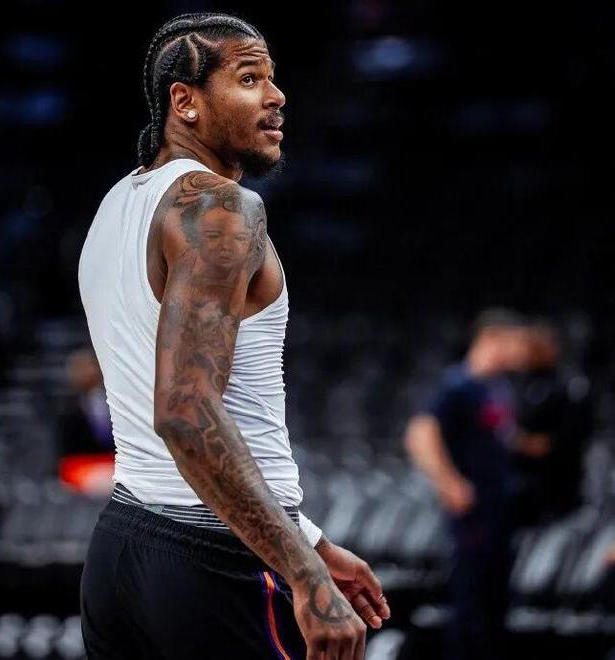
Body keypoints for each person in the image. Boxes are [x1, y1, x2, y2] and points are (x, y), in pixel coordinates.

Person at [78, 12, 389, 660]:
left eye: (272, 78)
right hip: (212, 564)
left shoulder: (116, 204)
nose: (276, 96)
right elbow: (186, 414)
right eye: (249, 79)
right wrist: (304, 574)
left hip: (121, 553)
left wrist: (310, 539)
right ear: (184, 102)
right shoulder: (219, 208)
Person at [404, 309, 528, 660]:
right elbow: (420, 434)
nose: (521, 351)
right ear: (492, 339)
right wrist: (450, 484)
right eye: (515, 342)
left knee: (494, 603)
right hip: (472, 514)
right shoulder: (457, 384)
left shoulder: (498, 388)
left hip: (499, 510)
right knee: (470, 604)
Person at [514, 320, 593, 525]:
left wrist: (542, 443)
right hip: (521, 482)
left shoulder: (570, 384)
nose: (528, 353)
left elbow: (579, 432)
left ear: (552, 347)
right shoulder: (520, 381)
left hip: (560, 481)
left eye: (536, 347)